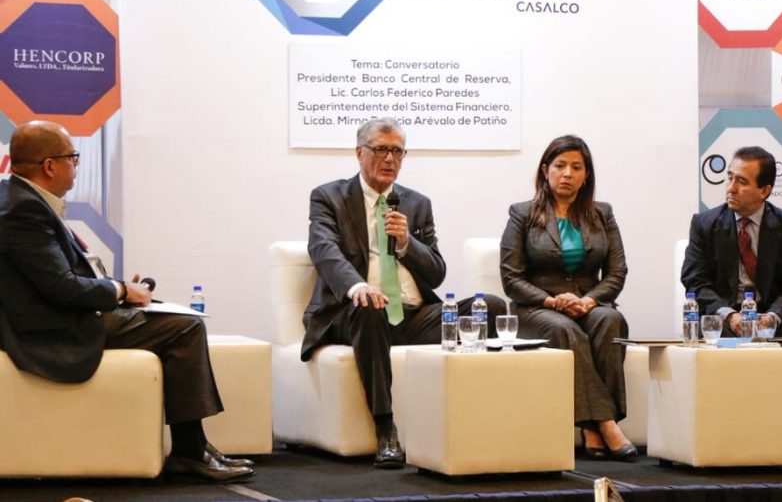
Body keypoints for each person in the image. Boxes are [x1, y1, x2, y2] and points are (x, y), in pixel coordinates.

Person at [0, 121, 253, 482]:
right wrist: (119, 291)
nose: (76, 166)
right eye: (73, 157)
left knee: (170, 318)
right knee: (184, 328)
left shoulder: (21, 200)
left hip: (60, 313)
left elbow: (56, 278)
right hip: (52, 328)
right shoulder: (22, 210)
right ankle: (190, 451)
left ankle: (194, 448)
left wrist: (122, 291)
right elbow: (60, 287)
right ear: (50, 166)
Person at [301, 117, 505, 469]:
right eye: (381, 149)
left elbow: (436, 273)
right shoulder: (329, 197)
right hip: (353, 313)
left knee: (491, 306)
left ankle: (483, 421)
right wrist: (357, 286)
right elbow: (324, 250)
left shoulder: (416, 203)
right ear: (359, 152)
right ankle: (385, 430)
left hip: (412, 315)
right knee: (370, 307)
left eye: (397, 151)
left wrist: (407, 243)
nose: (390, 159)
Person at [500, 135, 636, 460]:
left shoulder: (602, 214)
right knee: (565, 330)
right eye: (560, 166)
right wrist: (551, 301)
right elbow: (511, 277)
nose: (567, 173)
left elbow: (617, 272)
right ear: (545, 170)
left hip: (587, 304)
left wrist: (589, 301)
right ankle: (605, 424)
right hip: (536, 309)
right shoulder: (522, 214)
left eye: (576, 167)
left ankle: (591, 427)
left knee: (610, 320)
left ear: (586, 174)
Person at [681, 146, 782, 368]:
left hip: (775, 317)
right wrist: (730, 315)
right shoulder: (704, 224)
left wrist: (771, 317)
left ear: (764, 190)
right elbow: (695, 281)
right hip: (728, 316)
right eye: (730, 178)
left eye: (741, 182)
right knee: (708, 327)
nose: (731, 188)